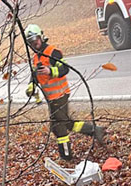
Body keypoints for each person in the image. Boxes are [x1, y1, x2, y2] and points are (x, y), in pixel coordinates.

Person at [24, 24, 106, 162]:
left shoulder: (53, 52)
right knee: (66, 123)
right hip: (51, 97)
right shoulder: (36, 57)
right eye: (31, 42)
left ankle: (66, 157)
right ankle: (94, 130)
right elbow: (35, 74)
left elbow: (65, 69)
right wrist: (31, 85)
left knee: (58, 127)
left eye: (35, 40)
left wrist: (51, 71)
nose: (34, 43)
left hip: (60, 94)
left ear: (41, 37)